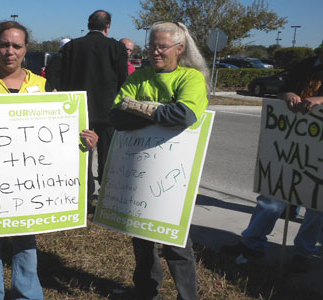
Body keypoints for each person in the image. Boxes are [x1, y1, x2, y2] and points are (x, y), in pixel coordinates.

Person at [0, 21, 98, 300]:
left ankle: (28, 294)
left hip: (30, 186)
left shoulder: (43, 85)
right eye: (4, 45)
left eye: (16, 46)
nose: (10, 51)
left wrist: (84, 139)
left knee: (27, 244)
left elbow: (61, 129)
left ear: (26, 49)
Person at [109, 21, 210, 300]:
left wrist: (138, 107)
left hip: (173, 176)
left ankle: (187, 296)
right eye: (152, 45)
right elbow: (116, 117)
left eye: (162, 47)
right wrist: (158, 113)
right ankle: (146, 292)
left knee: (176, 244)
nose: (155, 52)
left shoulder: (190, 78)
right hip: (139, 172)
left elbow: (185, 116)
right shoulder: (139, 77)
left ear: (179, 48)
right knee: (141, 239)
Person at [221, 52, 323, 272]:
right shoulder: (305, 65)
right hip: (290, 141)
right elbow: (282, 88)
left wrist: (321, 100)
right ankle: (251, 244)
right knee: (272, 195)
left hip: (319, 150)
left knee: (316, 204)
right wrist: (287, 94)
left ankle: (303, 254)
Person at [59, 10, 127, 210]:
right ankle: (107, 200)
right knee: (107, 159)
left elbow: (63, 81)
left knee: (82, 157)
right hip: (108, 113)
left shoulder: (72, 47)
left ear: (89, 25)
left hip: (78, 112)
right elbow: (123, 83)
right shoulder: (117, 48)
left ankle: (83, 197)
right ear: (108, 27)